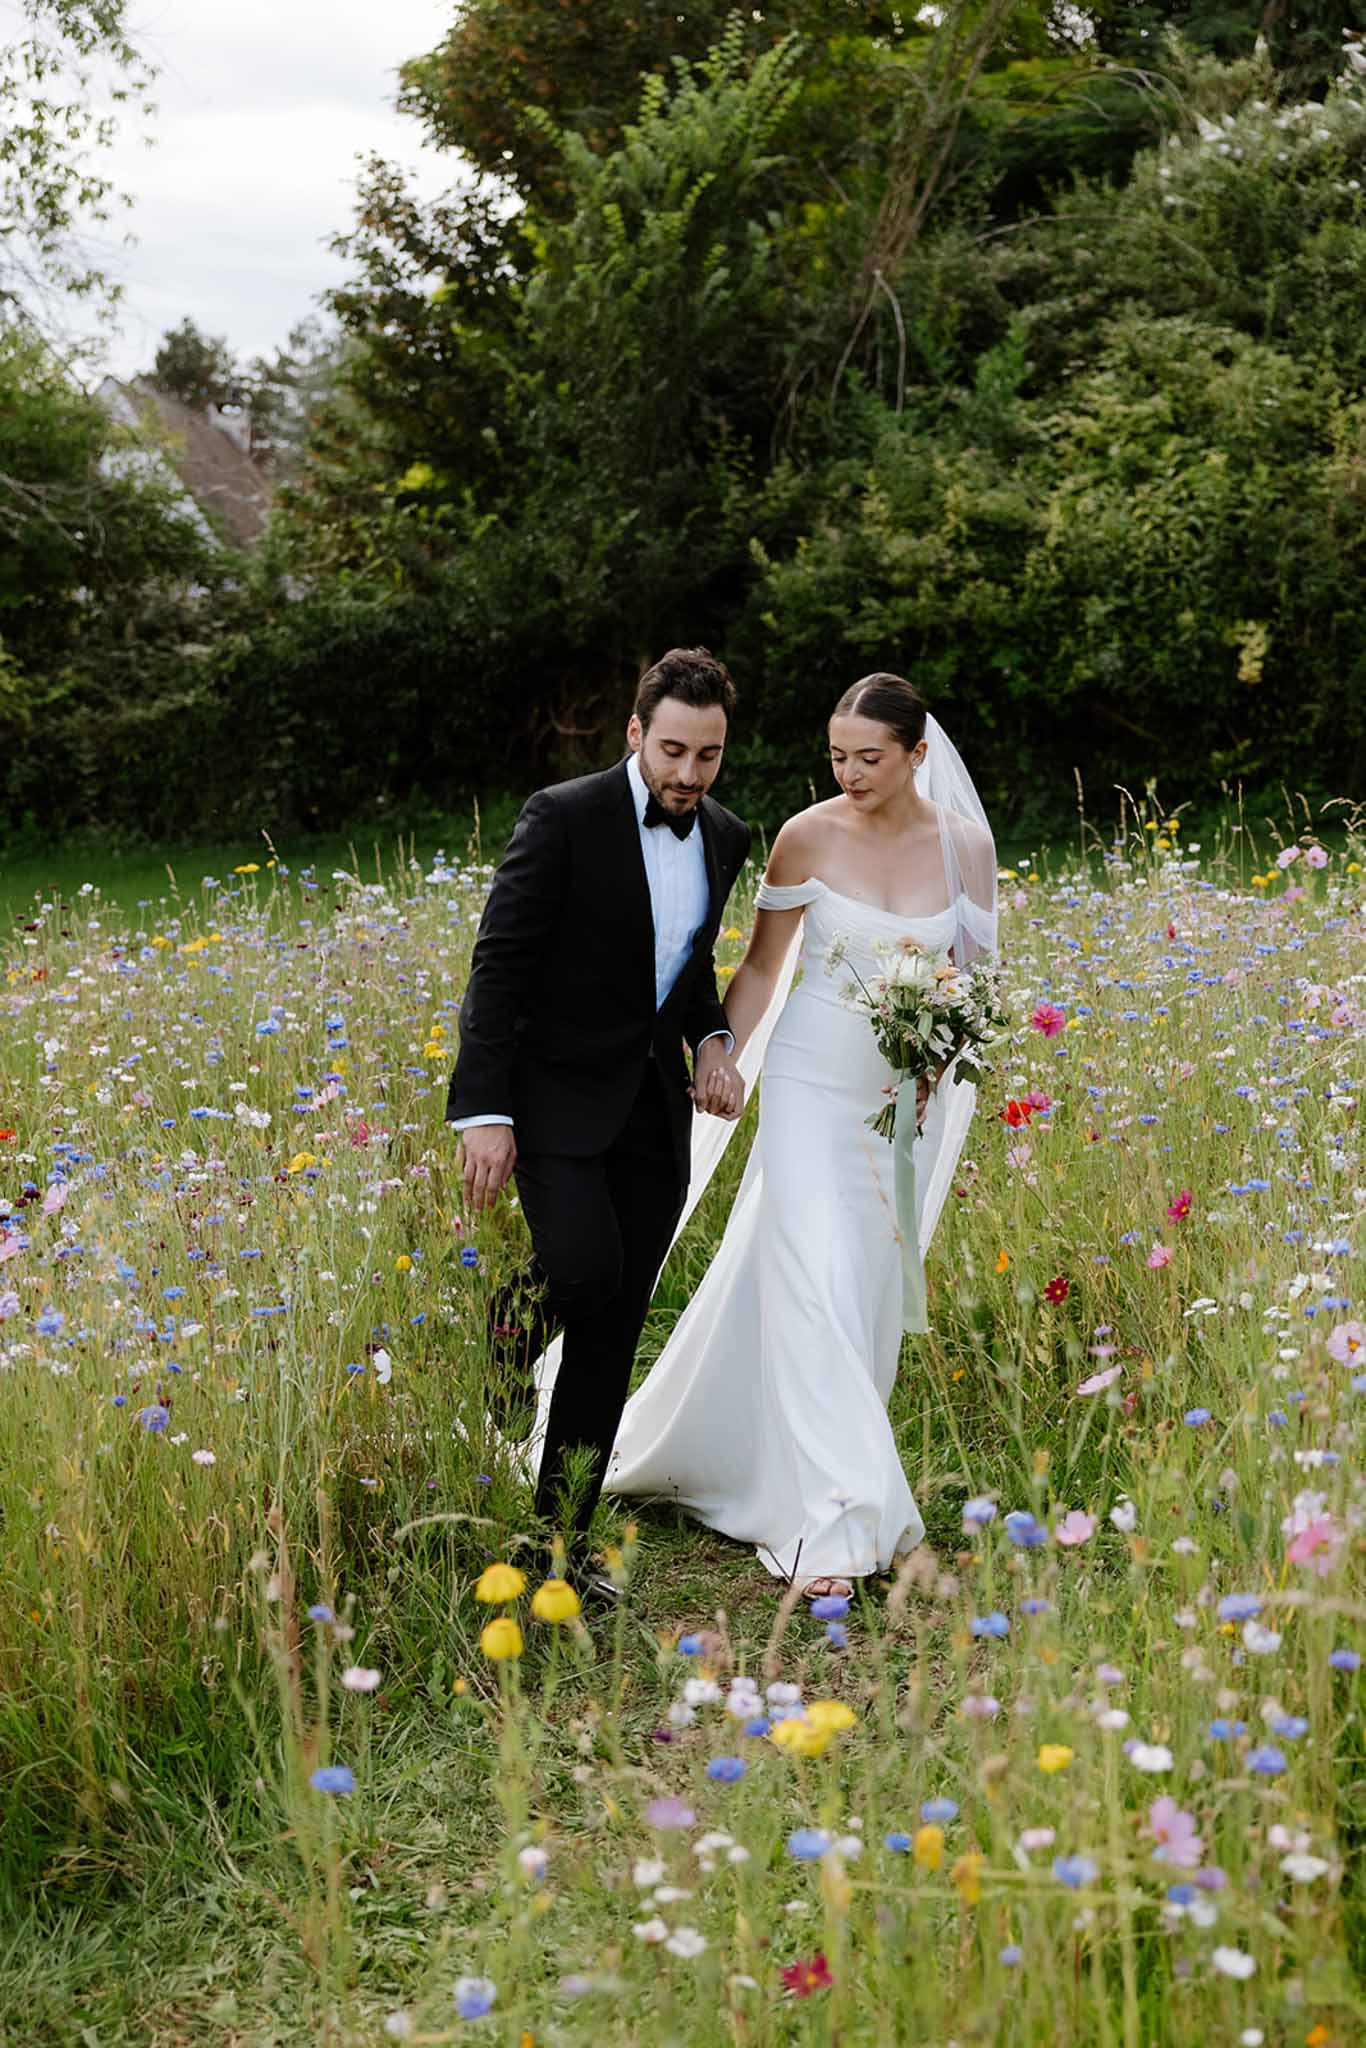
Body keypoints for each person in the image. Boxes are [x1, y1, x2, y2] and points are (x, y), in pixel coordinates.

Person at [599, 673, 997, 1599]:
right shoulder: (807, 835)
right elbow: (763, 964)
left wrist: (938, 1066)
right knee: (815, 1276)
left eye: (870, 758)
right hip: (813, 1084)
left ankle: (785, 1461)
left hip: (898, 1102)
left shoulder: (966, 849)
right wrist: (720, 1054)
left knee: (856, 1290)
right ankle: (838, 1520)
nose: (850, 773)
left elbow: (971, 982)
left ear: (917, 758)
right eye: (838, 756)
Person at [446, 647, 750, 1599]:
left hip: (653, 1115)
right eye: (671, 750)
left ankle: (558, 1548)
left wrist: (711, 1038)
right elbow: (498, 968)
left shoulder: (726, 837)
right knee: (583, 1273)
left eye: (706, 756)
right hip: (549, 1103)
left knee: (616, 1325)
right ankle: (505, 1334)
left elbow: (691, 969)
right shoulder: (562, 817)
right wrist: (484, 1113)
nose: (687, 774)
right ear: (634, 733)